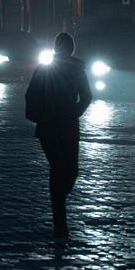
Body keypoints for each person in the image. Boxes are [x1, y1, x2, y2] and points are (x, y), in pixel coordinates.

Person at [25, 32, 92, 237]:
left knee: (66, 170)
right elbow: (86, 96)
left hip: (60, 125)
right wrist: (74, 111)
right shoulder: (60, 69)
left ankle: (58, 207)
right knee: (63, 169)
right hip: (58, 125)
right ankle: (60, 221)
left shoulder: (72, 69)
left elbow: (86, 96)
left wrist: (74, 112)